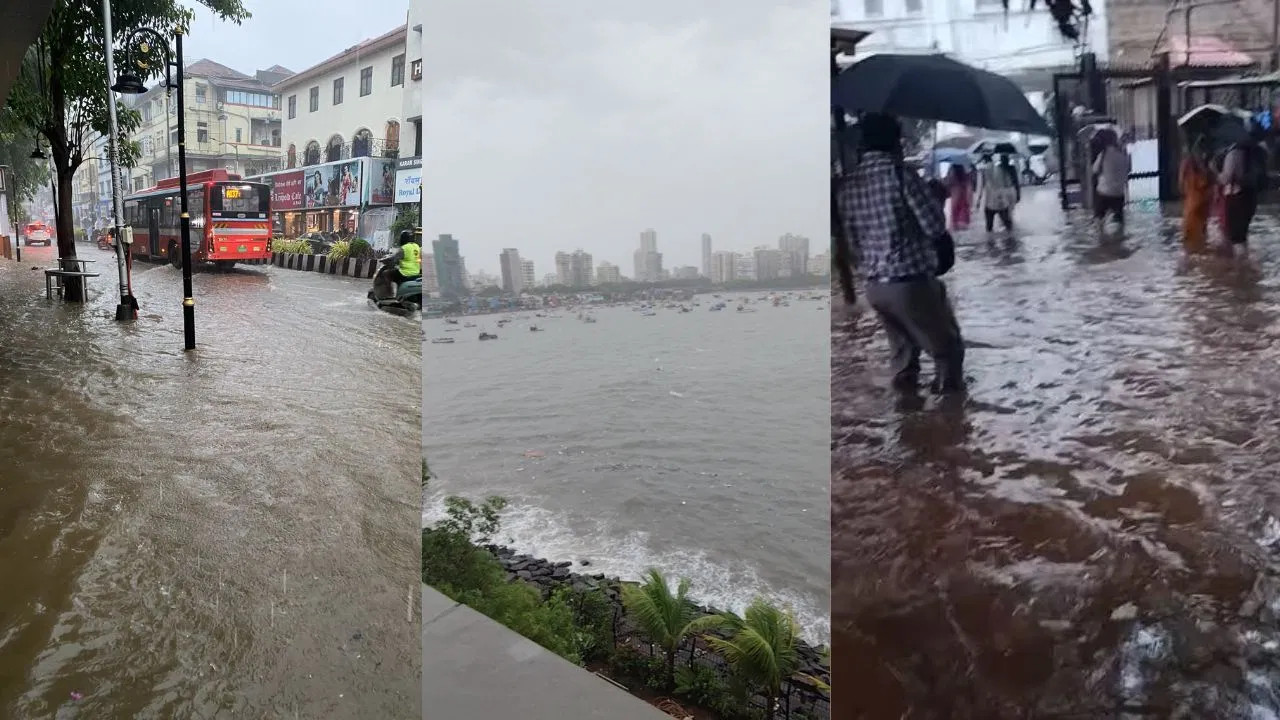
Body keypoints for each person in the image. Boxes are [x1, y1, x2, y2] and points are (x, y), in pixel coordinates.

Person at [834, 112, 965, 394]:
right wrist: (936, 198)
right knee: (947, 351)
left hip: (875, 287)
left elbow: (852, 241)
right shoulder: (901, 176)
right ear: (895, 142)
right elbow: (933, 225)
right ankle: (951, 421)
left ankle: (907, 423)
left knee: (903, 359)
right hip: (910, 282)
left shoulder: (848, 185)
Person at [1218, 123, 1269, 254]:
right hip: (1251, 196)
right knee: (1243, 232)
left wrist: (1216, 174)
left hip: (1236, 197)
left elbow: (1227, 177)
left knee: (1235, 236)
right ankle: (1245, 262)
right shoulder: (1258, 150)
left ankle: (1240, 267)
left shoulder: (1234, 152)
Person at [1179, 138, 1213, 254]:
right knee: (1201, 235)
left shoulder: (1187, 163)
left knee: (1190, 239)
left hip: (1193, 205)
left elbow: (1180, 185)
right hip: (1203, 205)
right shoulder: (1206, 165)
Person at [1092, 134, 1131, 232]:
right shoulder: (1123, 154)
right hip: (1119, 193)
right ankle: (1119, 238)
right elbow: (1128, 169)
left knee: (1099, 219)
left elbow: (1095, 169)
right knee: (1119, 221)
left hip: (1103, 192)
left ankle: (1101, 239)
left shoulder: (1103, 154)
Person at [975, 152, 1019, 232]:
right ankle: (1012, 242)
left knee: (989, 228)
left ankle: (990, 243)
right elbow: (1005, 184)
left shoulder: (982, 170)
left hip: (989, 202)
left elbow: (980, 187)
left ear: (983, 160)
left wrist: (978, 201)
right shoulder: (999, 168)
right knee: (1008, 226)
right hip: (1001, 201)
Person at [945, 164, 972, 230]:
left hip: (956, 197)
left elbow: (947, 182)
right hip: (962, 199)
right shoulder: (965, 180)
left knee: (956, 222)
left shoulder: (952, 171)